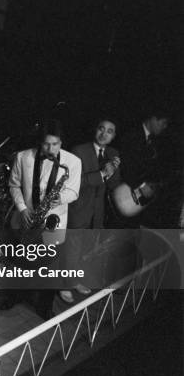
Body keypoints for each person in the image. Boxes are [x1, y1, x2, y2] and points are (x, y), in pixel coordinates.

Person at [4, 120, 81, 318]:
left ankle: (44, 306)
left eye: (55, 144)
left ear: (61, 143)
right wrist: (22, 208)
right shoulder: (23, 157)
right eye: (47, 144)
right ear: (40, 142)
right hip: (28, 218)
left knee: (50, 267)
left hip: (54, 221)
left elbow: (74, 192)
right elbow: (13, 185)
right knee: (20, 261)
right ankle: (15, 296)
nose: (51, 149)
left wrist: (60, 198)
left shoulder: (73, 162)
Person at [61, 119, 121, 302]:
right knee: (70, 250)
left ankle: (73, 280)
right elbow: (74, 183)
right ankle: (62, 286)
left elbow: (113, 185)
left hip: (97, 212)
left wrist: (112, 171)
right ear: (95, 130)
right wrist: (102, 173)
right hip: (78, 210)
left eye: (109, 131)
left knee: (83, 250)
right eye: (101, 129)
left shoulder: (113, 153)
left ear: (113, 136)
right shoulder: (79, 150)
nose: (104, 134)